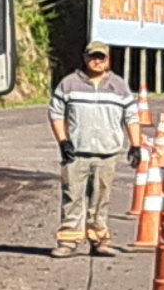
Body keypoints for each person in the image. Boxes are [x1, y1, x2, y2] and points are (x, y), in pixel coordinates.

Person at [49, 45, 138, 252]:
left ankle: (99, 241)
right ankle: (68, 242)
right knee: (72, 197)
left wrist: (136, 145)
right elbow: (56, 112)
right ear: (85, 58)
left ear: (108, 60)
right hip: (76, 153)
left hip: (107, 154)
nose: (97, 61)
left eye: (101, 57)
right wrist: (63, 141)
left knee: (101, 199)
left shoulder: (119, 86)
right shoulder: (69, 84)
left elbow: (132, 116)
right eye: (93, 57)